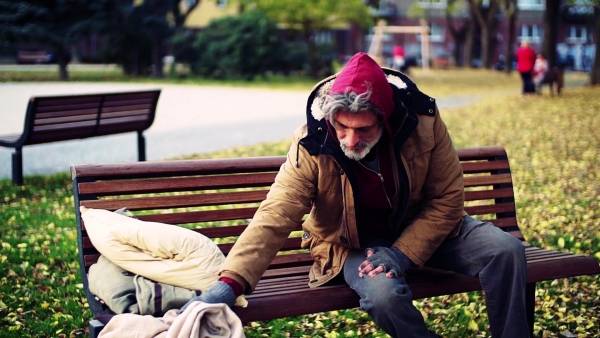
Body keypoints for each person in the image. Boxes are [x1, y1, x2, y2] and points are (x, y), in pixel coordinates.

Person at [185, 52, 529, 338]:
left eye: (363, 128)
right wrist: (230, 284)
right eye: (342, 128)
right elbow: (276, 214)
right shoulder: (312, 142)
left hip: (425, 230)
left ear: (386, 119)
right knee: (383, 296)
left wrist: (402, 255)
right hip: (348, 245)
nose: (350, 140)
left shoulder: (423, 121)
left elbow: (447, 199)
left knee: (506, 250)